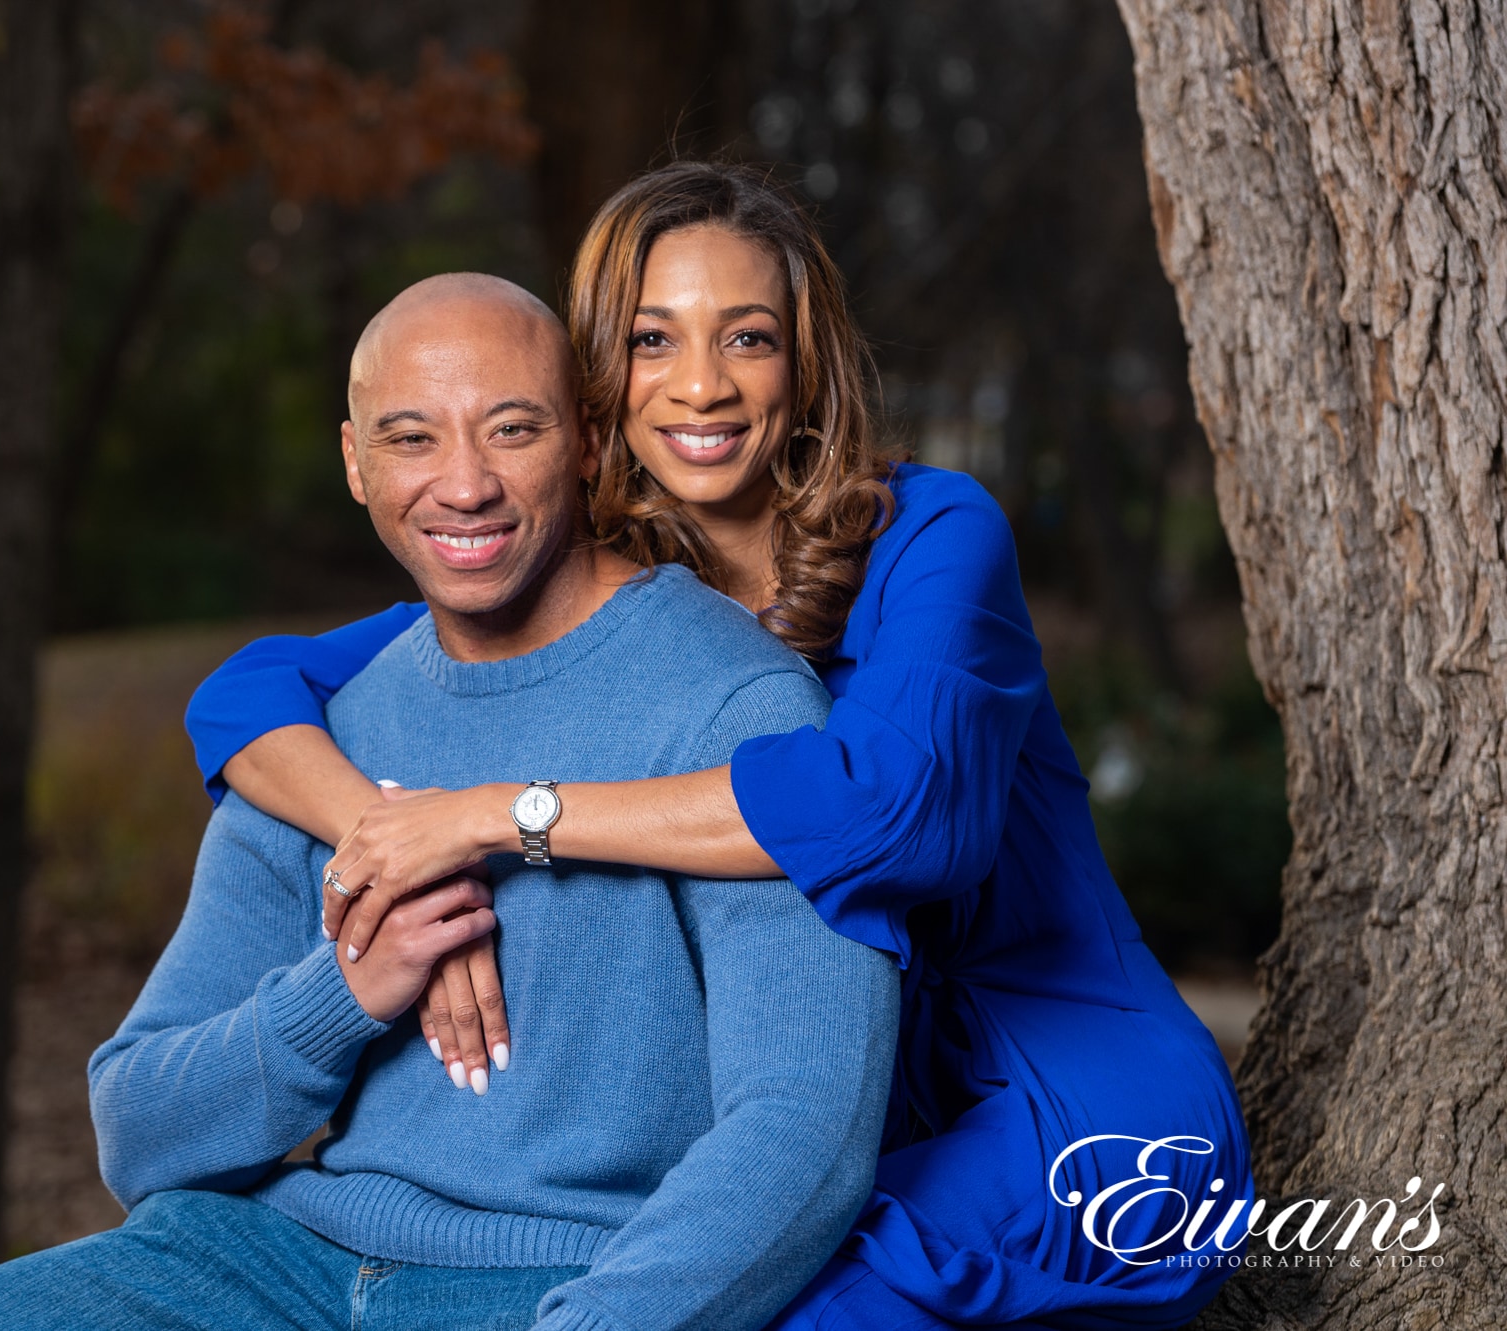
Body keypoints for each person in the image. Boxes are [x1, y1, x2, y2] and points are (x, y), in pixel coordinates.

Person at [185, 162, 1254, 1329]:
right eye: (651, 340)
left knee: (781, 1304)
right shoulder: (592, 590)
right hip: (865, 1120)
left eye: (745, 338)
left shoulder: (933, 533)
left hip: (1071, 1096)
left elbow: (889, 816)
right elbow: (246, 694)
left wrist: (500, 812)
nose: (700, 385)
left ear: (804, 365)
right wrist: (394, 846)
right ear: (601, 377)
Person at [0, 272, 900, 1331]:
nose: (463, 485)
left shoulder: (733, 703)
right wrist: (343, 994)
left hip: (557, 1281)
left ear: (588, 441)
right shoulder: (329, 734)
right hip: (269, 1263)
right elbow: (140, 1130)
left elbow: (805, 1130)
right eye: (410, 439)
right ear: (355, 463)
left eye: (510, 429)